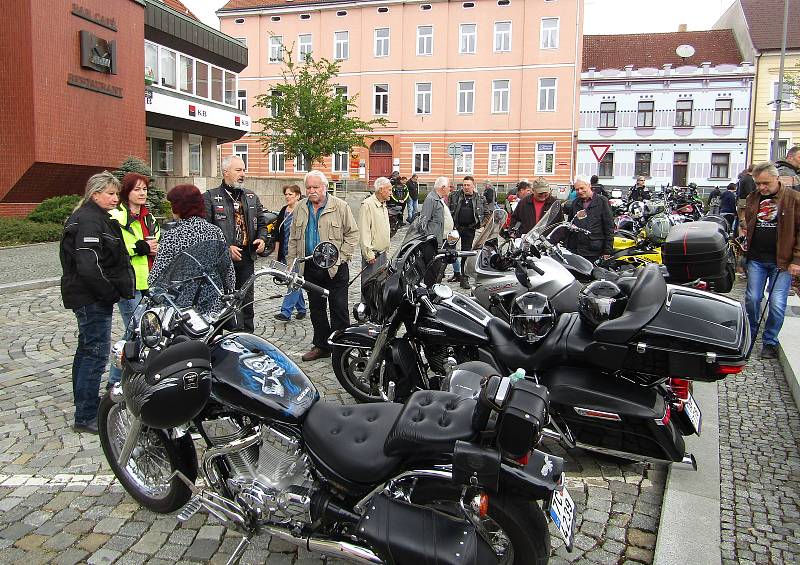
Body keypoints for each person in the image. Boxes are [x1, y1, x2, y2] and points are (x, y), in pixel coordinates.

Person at [60, 171, 134, 434]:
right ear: (95, 194)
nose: (116, 198)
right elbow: (88, 266)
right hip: (91, 298)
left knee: (86, 351)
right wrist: (109, 293)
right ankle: (87, 415)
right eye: (111, 194)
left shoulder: (96, 218)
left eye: (116, 193)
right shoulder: (89, 220)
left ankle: (85, 405)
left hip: (89, 296)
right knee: (95, 354)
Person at [287, 170, 359, 362]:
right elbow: (294, 238)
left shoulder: (340, 206)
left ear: (325, 187)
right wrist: (291, 263)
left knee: (339, 309)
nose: (311, 191)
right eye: (308, 187)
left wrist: (341, 257)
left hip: (335, 269)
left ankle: (342, 348)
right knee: (316, 310)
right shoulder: (300, 207)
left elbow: (352, 234)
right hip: (310, 267)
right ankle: (322, 346)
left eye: (315, 187)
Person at [149, 184, 235, 318]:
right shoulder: (215, 232)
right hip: (212, 304)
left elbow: (156, 276)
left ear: (178, 207)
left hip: (181, 307)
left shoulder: (172, 236)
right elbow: (228, 271)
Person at [107, 173, 160, 386]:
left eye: (144, 189)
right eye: (137, 189)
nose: (142, 193)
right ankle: (114, 380)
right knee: (134, 331)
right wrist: (138, 248)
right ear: (127, 192)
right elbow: (111, 250)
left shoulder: (149, 217)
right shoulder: (116, 217)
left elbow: (155, 243)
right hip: (129, 282)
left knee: (143, 331)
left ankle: (136, 374)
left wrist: (154, 249)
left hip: (150, 281)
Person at [742, 162, 800, 359]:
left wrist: (797, 260)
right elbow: (748, 220)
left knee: (776, 303)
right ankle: (750, 334)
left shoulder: (793, 199)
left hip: (781, 261)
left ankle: (770, 341)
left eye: (765, 183)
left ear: (777, 178)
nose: (761, 187)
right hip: (756, 258)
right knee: (752, 299)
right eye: (758, 183)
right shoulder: (753, 198)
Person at [203, 156, 267, 332]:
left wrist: (262, 238)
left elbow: (262, 224)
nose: (243, 174)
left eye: (244, 170)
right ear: (225, 172)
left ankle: (248, 336)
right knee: (222, 300)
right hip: (222, 261)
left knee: (247, 300)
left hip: (246, 257)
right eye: (238, 170)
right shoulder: (210, 197)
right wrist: (225, 248)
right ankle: (220, 338)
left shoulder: (251, 197)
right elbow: (206, 232)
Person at [447, 175, 490, 289]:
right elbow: (447, 210)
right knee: (449, 251)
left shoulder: (480, 198)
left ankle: (464, 278)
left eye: (468, 185)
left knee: (466, 254)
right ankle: (449, 274)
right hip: (455, 228)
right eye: (464, 185)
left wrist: (480, 225)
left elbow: (487, 214)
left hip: (469, 229)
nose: (466, 187)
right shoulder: (454, 195)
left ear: (473, 186)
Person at [273, 185, 307, 322]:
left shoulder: (303, 211)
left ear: (298, 195)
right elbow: (277, 233)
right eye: (286, 194)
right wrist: (277, 254)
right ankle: (302, 308)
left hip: (298, 253)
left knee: (293, 281)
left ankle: (286, 312)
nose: (287, 197)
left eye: (290, 194)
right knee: (292, 280)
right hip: (285, 252)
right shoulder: (283, 210)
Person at [564, 175, 614, 264]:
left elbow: (609, 227)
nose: (579, 191)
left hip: (594, 250)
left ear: (589, 185)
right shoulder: (575, 203)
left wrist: (607, 251)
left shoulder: (602, 201)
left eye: (582, 188)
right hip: (577, 249)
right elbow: (570, 224)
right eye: (577, 189)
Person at [417, 176, 454, 285]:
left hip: (437, 241)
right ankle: (429, 292)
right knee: (432, 270)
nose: (449, 189)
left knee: (436, 269)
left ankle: (433, 289)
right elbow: (423, 221)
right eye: (448, 187)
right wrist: (426, 240)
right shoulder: (431, 199)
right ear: (443, 187)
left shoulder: (438, 198)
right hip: (430, 242)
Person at [359, 177, 392, 297]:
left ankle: (377, 311)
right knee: (369, 284)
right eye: (389, 190)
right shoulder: (368, 204)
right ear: (381, 189)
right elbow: (364, 230)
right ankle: (366, 310)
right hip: (373, 255)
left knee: (380, 284)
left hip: (382, 253)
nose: (391, 192)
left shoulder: (383, 204)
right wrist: (368, 253)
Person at [737, 166, 756, 235]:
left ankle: (739, 235)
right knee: (744, 220)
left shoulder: (743, 178)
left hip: (741, 200)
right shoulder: (749, 179)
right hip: (746, 201)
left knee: (741, 220)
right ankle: (742, 236)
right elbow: (750, 192)